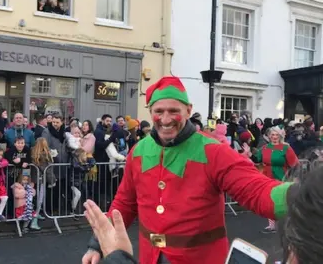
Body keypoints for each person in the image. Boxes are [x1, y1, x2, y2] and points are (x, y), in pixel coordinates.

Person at [82, 76, 295, 264]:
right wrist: (98, 243)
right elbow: (124, 203)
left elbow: (257, 191)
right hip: (151, 256)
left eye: (174, 111)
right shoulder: (138, 151)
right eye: (159, 111)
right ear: (150, 112)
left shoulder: (213, 150)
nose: (165, 119)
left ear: (188, 110)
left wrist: (307, 197)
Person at [253, 126, 298, 233]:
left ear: (280, 136)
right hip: (267, 177)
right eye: (272, 135)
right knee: (270, 200)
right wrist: (248, 153)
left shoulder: (286, 148)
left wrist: (295, 177)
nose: (274, 137)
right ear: (269, 136)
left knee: (283, 200)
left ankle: (288, 224)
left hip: (282, 177)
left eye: (276, 135)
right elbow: (256, 159)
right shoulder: (264, 148)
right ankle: (271, 225)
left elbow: (295, 164)